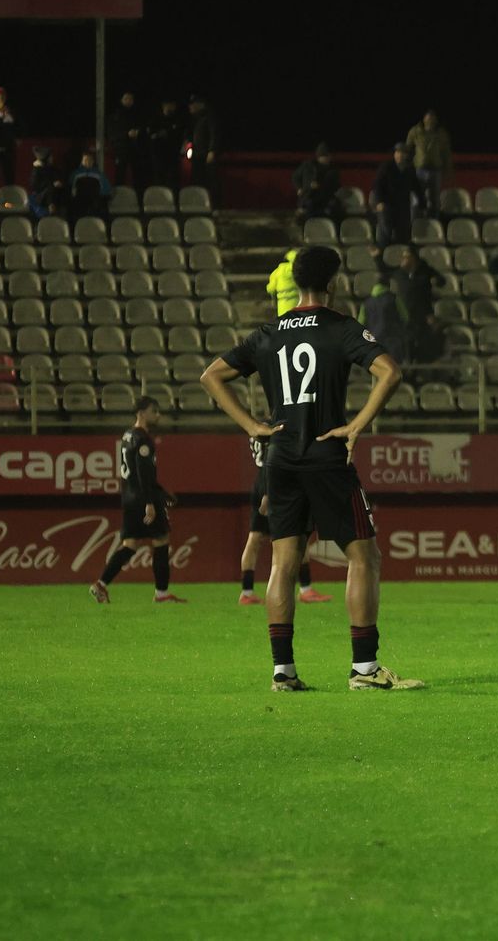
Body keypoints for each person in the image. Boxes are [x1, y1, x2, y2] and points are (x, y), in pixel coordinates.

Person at [200, 245, 423, 690]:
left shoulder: (267, 333)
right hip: (325, 454)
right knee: (364, 557)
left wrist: (252, 426)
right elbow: (389, 372)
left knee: (283, 561)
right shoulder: (339, 328)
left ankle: (283, 672)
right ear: (333, 283)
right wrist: (358, 424)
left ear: (295, 283)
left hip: (280, 456)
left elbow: (211, 376)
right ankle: (365, 670)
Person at [88, 397, 184, 604]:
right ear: (141, 413)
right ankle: (162, 594)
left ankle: (101, 584)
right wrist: (151, 502)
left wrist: (161, 491)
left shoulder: (127, 435)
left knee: (130, 544)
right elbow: (143, 472)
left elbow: (132, 472)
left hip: (129, 498)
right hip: (143, 499)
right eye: (153, 411)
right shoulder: (142, 438)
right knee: (161, 539)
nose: (157, 415)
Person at [237, 435, 332, 606]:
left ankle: (246, 592)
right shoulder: (275, 429)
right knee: (296, 534)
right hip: (273, 479)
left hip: (260, 480)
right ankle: (305, 589)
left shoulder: (258, 430)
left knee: (254, 539)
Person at [406, 110, 452, 218]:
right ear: (424, 119)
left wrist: (448, 170)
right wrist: (408, 167)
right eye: (428, 118)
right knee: (416, 199)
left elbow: (446, 153)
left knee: (435, 200)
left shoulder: (441, 134)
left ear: (436, 120)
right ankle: (414, 223)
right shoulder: (415, 131)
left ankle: (433, 222)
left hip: (436, 171)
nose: (430, 121)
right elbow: (408, 149)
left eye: (432, 119)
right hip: (419, 170)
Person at [371, 143, 418, 247]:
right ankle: (381, 257)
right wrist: (379, 202)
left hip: (403, 206)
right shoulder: (386, 167)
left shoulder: (409, 169)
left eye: (402, 153)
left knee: (403, 236)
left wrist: (423, 204)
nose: (399, 155)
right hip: (387, 205)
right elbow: (377, 185)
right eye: (398, 152)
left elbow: (416, 187)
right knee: (385, 234)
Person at [392, 245, 442, 340]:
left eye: (406, 257)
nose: (403, 260)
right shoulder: (400, 273)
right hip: (405, 313)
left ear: (413, 258)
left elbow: (441, 281)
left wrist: (436, 280)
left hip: (422, 313)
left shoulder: (426, 271)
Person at [357, 277, 407, 363]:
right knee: (394, 368)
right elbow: (405, 317)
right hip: (393, 340)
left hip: (374, 341)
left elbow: (360, 323)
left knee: (378, 368)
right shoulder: (394, 298)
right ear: (388, 286)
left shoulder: (366, 303)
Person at [107, 91, 149, 189]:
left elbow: (144, 129)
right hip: (121, 149)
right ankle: (120, 196)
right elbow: (112, 134)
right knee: (120, 174)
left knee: (138, 174)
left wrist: (138, 132)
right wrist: (126, 134)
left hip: (136, 149)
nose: (129, 101)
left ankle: (138, 196)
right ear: (121, 100)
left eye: (131, 99)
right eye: (126, 98)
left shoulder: (138, 115)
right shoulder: (115, 116)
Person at [293, 144, 342, 222]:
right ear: (319, 157)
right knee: (307, 211)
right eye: (324, 156)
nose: (327, 159)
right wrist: (299, 188)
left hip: (325, 198)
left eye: (328, 156)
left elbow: (337, 186)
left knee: (336, 209)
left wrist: (321, 186)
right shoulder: (308, 165)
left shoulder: (333, 170)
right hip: (308, 196)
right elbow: (295, 177)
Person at [147, 97, 186, 189]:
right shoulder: (156, 120)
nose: (171, 108)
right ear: (164, 106)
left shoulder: (178, 120)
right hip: (159, 156)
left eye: (173, 106)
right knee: (159, 179)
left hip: (173, 156)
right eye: (169, 105)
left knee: (173, 180)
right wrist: (160, 135)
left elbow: (181, 135)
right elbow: (151, 136)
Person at [188, 95, 221, 202]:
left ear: (200, 105)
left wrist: (212, 151)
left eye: (193, 104)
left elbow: (214, 134)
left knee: (210, 181)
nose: (190, 107)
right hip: (197, 155)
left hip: (206, 155)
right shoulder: (195, 119)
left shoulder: (209, 116)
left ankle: (213, 204)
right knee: (197, 180)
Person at [67, 151, 113, 221]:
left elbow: (106, 190)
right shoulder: (75, 174)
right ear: (82, 161)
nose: (87, 162)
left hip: (95, 202)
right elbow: (70, 189)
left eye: (90, 160)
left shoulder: (99, 174)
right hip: (79, 201)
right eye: (85, 160)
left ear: (93, 161)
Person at [27, 146, 65, 219]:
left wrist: (58, 183)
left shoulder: (53, 169)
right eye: (50, 157)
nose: (52, 159)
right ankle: (51, 207)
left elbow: (59, 179)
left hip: (55, 194)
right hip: (41, 197)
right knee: (50, 189)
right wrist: (52, 184)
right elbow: (34, 186)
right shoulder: (36, 171)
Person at [266, 248, 302, 317]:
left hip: (283, 303)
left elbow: (271, 288)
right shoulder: (299, 270)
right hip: (299, 301)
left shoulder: (277, 271)